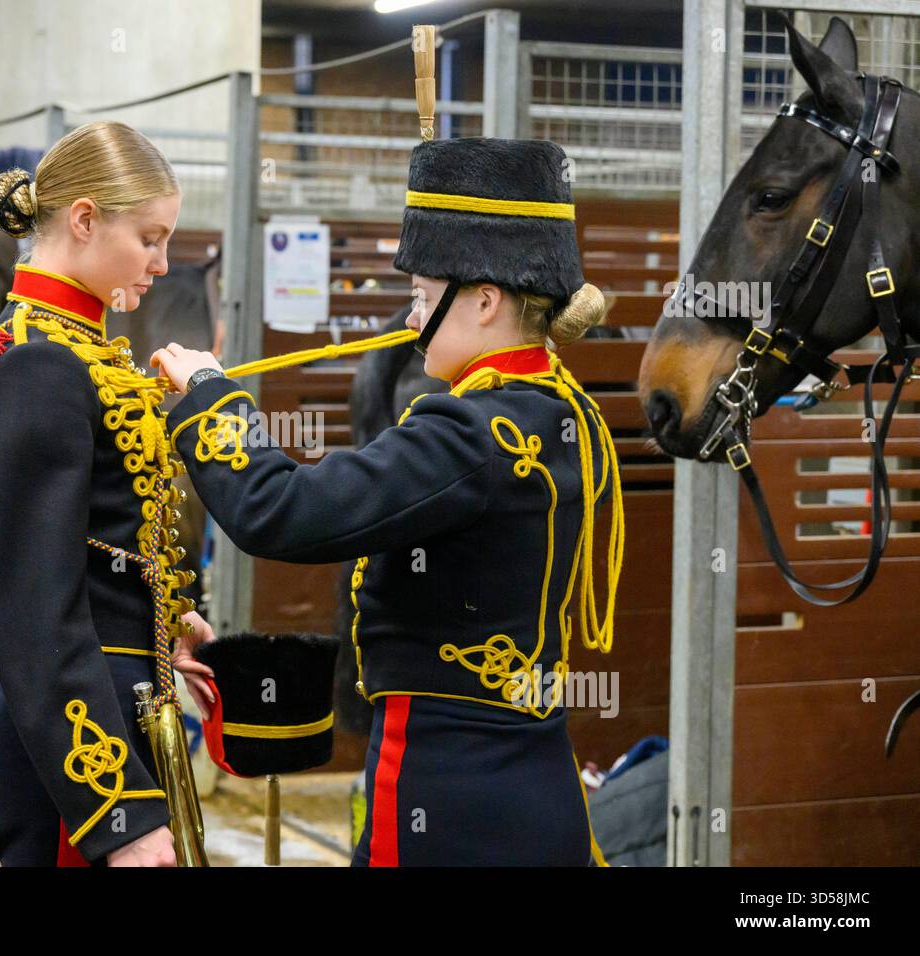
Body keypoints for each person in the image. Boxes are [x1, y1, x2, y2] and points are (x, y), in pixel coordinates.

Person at [153, 136, 624, 866]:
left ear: (486, 300)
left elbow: (283, 511)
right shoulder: (567, 412)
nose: (409, 321)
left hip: (445, 786)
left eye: (422, 298)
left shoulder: (472, 429)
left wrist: (210, 399)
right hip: (537, 779)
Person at [0, 120, 218, 867]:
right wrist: (118, 815)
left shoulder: (72, 352)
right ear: (83, 219)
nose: (163, 263)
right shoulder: (41, 366)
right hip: (76, 749)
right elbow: (31, 601)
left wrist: (157, 623)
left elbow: (89, 547)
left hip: (108, 705)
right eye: (151, 238)